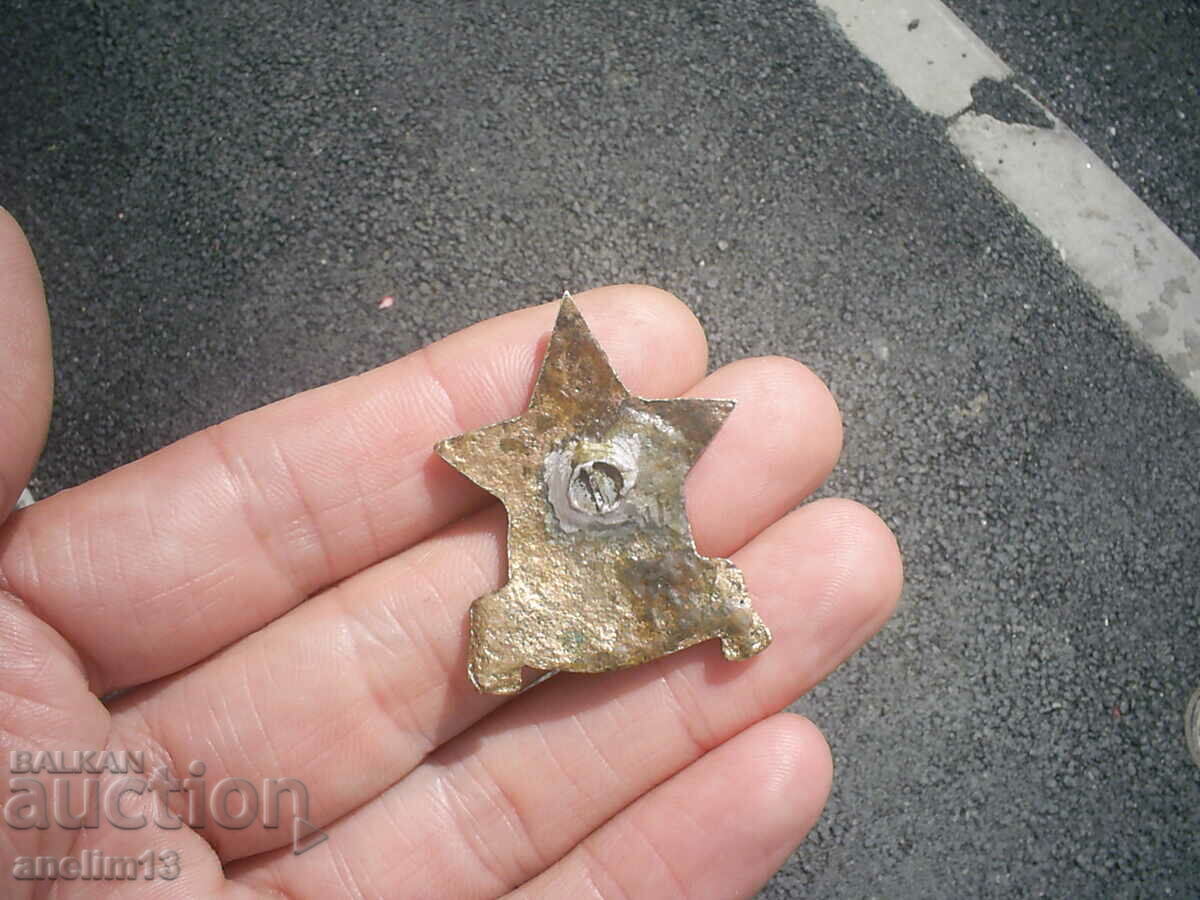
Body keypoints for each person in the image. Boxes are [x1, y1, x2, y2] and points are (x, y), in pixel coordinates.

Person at [0, 207, 901, 898]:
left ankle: (709, 611)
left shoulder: (627, 497)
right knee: (524, 623)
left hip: (631, 590)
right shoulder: (539, 517)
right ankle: (689, 613)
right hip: (586, 599)